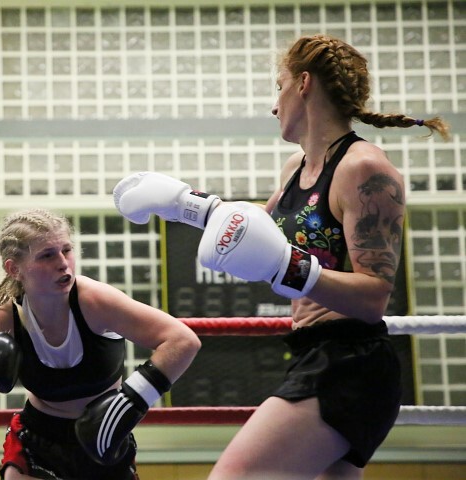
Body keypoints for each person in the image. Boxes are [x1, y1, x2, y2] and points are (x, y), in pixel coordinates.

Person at [113, 34, 450, 480]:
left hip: (351, 363)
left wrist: (287, 268)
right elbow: (256, 226)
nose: (275, 106)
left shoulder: (364, 169)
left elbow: (374, 297)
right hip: (316, 353)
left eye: (280, 86)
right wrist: (186, 204)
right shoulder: (297, 168)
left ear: (304, 83)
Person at [0, 208, 201, 480]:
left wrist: (129, 401)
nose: (63, 263)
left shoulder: (95, 302)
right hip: (38, 438)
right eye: (47, 255)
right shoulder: (3, 320)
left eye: (66, 250)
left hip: (104, 437)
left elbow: (182, 340)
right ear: (14, 269)